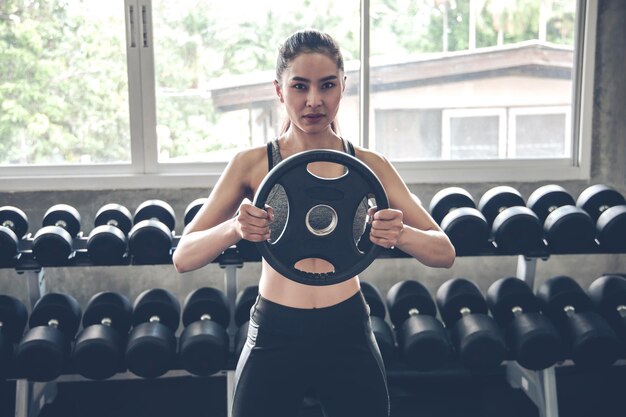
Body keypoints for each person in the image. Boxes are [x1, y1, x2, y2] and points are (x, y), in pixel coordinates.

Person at [173, 29, 455, 417]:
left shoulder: (371, 166)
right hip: (276, 328)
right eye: (299, 87)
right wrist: (235, 229)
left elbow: (443, 251)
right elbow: (183, 256)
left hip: (347, 328)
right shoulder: (252, 163)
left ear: (343, 86)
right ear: (278, 89)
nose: (314, 101)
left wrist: (401, 233)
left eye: (327, 86)